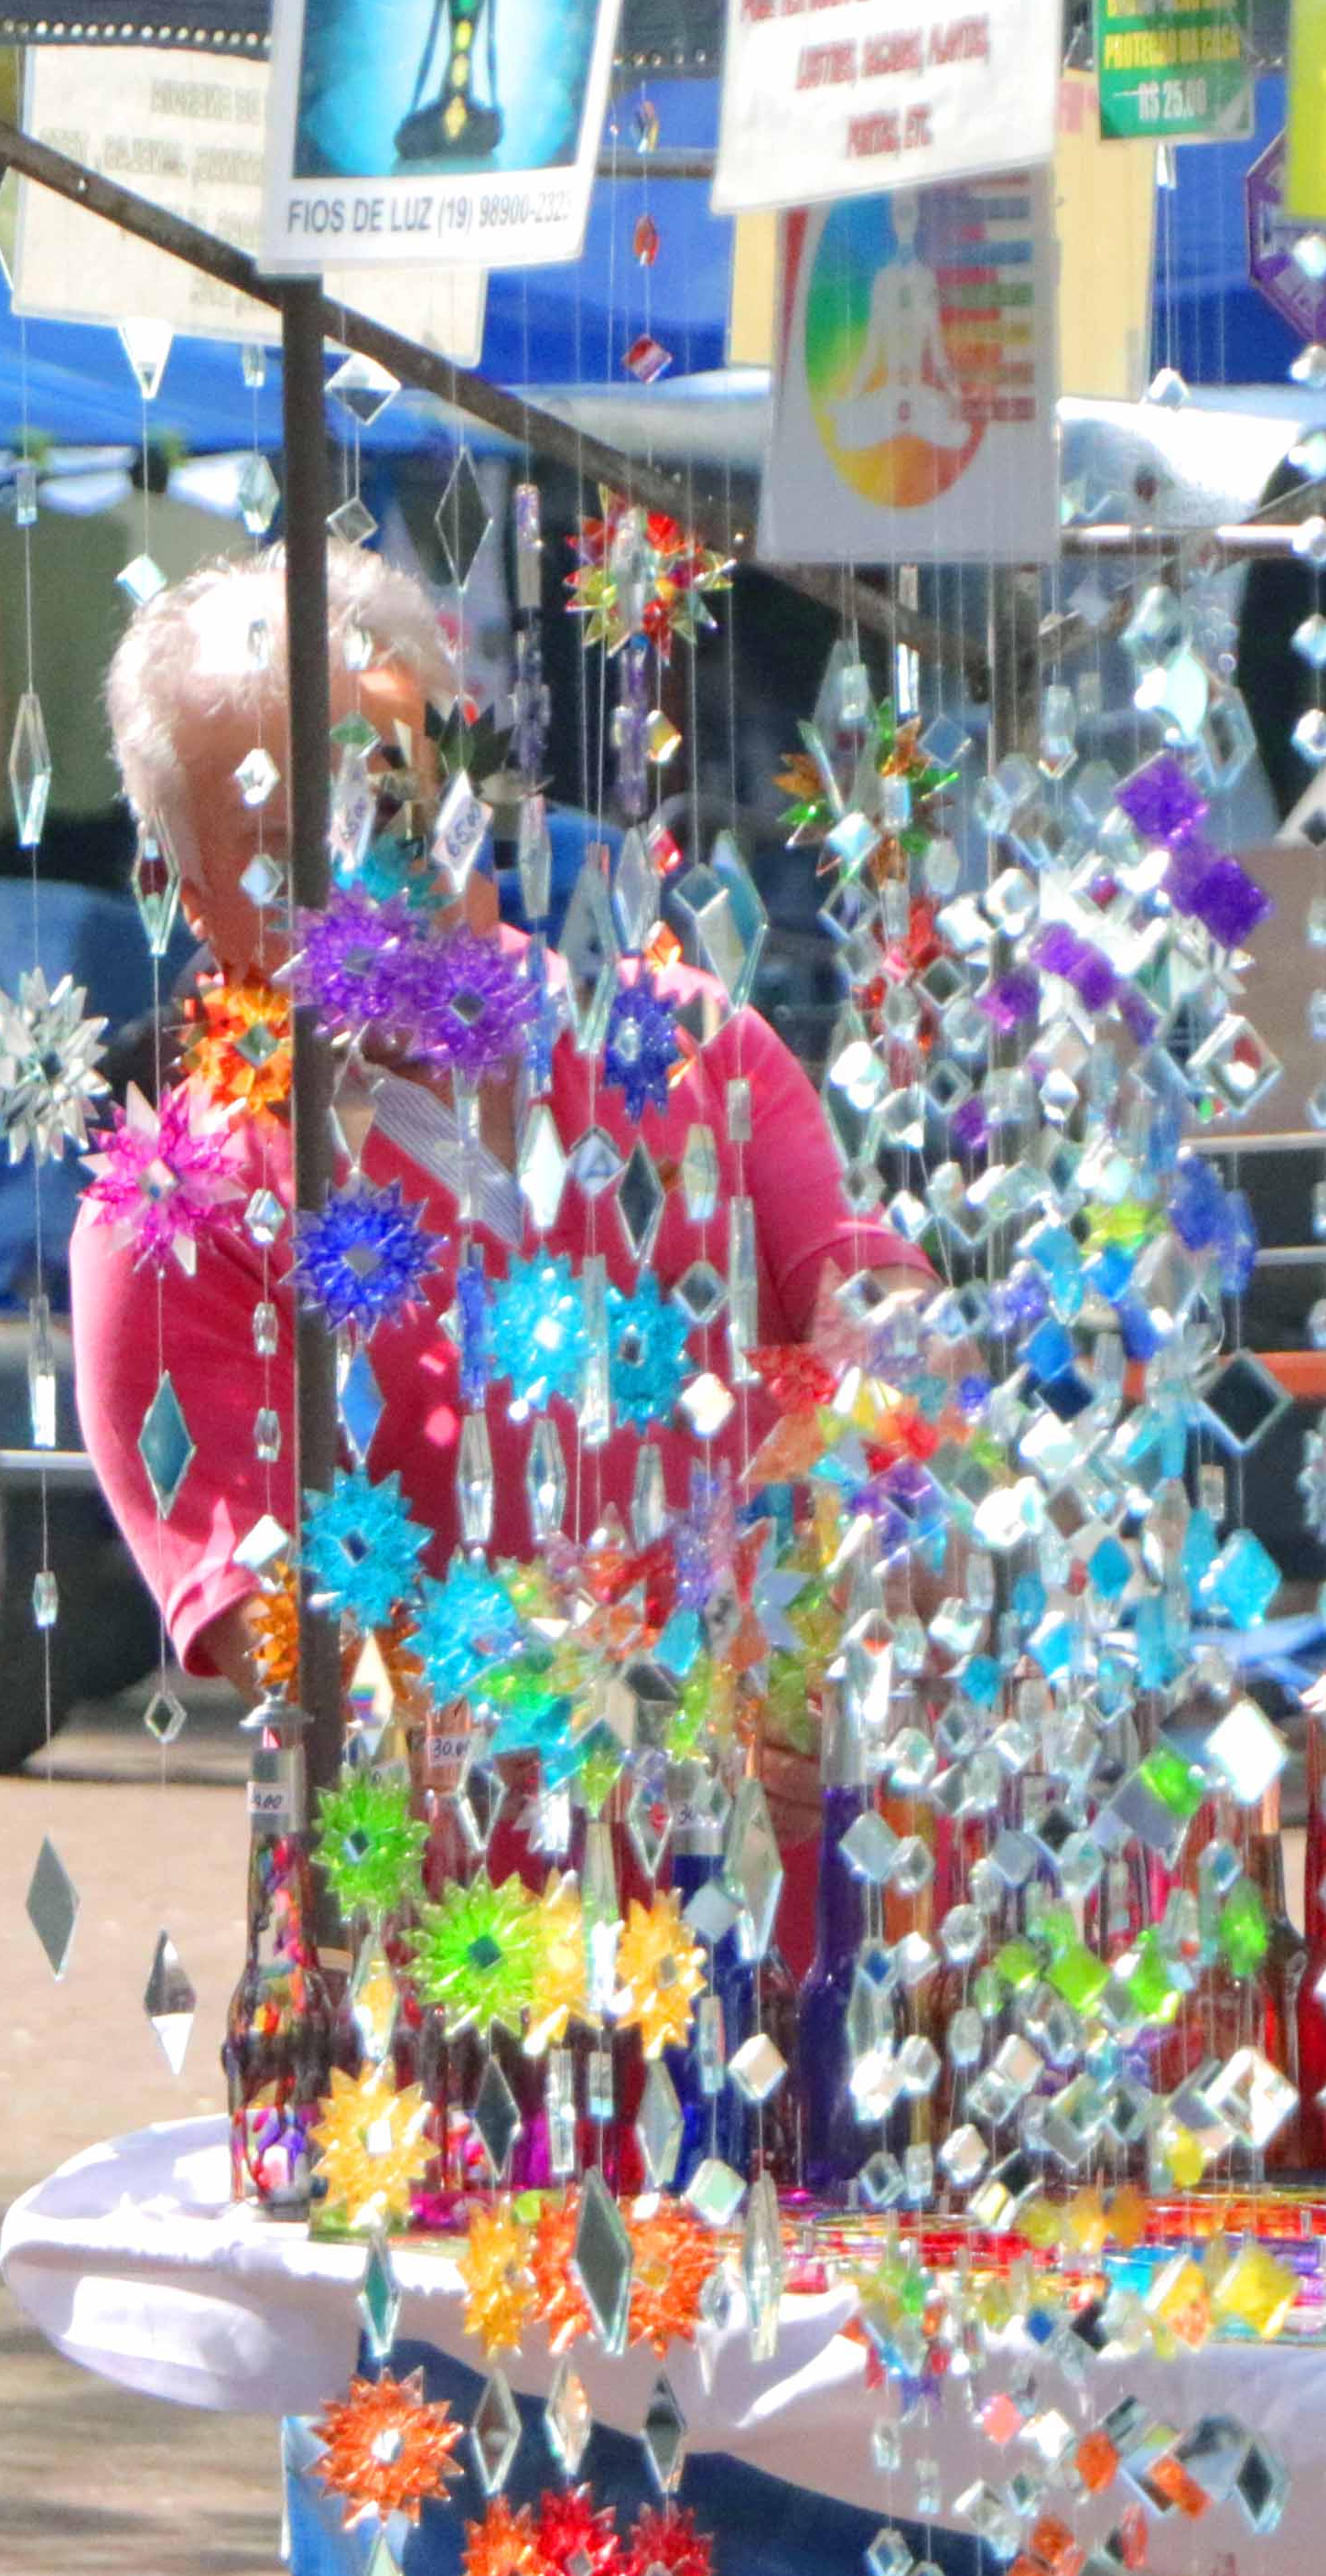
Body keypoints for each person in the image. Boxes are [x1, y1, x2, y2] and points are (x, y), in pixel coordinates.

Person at [65, 546, 919, 1990]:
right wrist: (637, 1696)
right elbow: (301, 1665)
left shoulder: (690, 1042)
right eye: (292, 852)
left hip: (794, 1930)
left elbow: (869, 1334)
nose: (372, 884)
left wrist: (921, 1385)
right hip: (450, 1994)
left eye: (398, 802)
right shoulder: (176, 1217)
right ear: (188, 891)